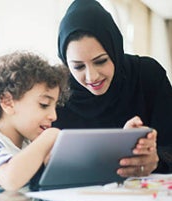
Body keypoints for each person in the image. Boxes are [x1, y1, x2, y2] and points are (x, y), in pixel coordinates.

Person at [54, 0, 172, 176]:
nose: (91, 76)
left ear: (115, 50)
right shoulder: (56, 92)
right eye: (78, 67)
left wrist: (157, 159)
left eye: (100, 61)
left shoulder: (147, 75)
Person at [0, 51, 70, 194]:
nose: (53, 116)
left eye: (55, 107)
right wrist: (49, 137)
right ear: (8, 102)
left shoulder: (27, 147)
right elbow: (10, 180)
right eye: (44, 104)